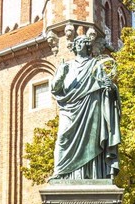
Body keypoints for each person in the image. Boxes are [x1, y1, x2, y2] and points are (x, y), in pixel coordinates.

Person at [51, 28, 121, 180]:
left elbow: (106, 87)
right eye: (77, 42)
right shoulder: (66, 66)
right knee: (62, 137)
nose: (79, 44)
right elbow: (54, 89)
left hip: (91, 106)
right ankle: (60, 172)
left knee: (91, 141)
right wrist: (61, 75)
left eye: (83, 42)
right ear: (74, 47)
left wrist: (110, 88)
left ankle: (91, 175)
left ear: (88, 46)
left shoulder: (96, 65)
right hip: (69, 108)